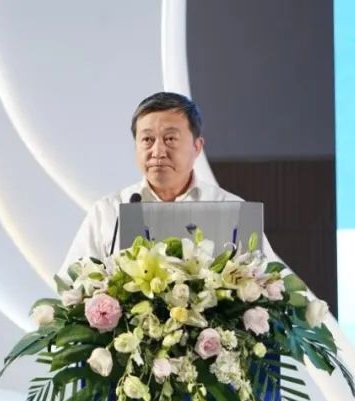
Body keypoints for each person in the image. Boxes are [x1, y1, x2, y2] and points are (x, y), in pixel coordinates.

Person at [60, 91, 276, 271]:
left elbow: (271, 286)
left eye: (170, 139)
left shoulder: (233, 209)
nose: (158, 151)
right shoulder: (108, 212)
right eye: (147, 139)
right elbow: (71, 289)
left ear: (197, 146)